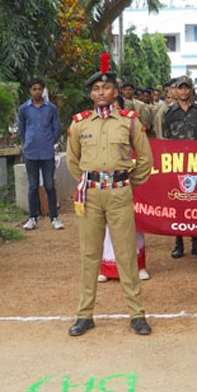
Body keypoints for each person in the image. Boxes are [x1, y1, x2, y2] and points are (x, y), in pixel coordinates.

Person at [66, 54, 154, 336]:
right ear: (91, 93)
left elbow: (145, 160)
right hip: (91, 195)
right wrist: (87, 181)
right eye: (95, 89)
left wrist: (127, 183)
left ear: (115, 91)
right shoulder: (80, 123)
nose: (100, 93)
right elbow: (72, 161)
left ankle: (137, 315)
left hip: (118, 193)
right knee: (90, 255)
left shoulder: (128, 121)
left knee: (126, 254)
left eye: (105, 88)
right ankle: (84, 315)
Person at [97, 95, 151, 283]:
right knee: (106, 225)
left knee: (133, 223)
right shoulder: (94, 126)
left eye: (116, 106)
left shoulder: (131, 124)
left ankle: (139, 266)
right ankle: (107, 267)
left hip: (127, 181)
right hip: (103, 183)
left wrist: (133, 180)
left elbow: (144, 156)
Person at [162, 75, 197, 259]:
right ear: (176, 90)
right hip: (176, 163)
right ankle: (178, 243)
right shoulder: (169, 113)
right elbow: (165, 140)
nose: (183, 91)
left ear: (191, 90)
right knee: (177, 201)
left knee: (196, 201)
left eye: (186, 88)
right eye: (180, 88)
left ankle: (196, 243)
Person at [17, 77, 64, 230]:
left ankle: (54, 217)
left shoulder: (51, 108)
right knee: (33, 186)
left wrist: (50, 142)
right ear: (30, 90)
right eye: (34, 89)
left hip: (47, 152)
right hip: (30, 152)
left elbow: (57, 128)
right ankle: (32, 218)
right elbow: (22, 129)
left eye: (39, 89)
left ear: (43, 90)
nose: (37, 91)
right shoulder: (24, 109)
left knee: (49, 185)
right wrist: (26, 143)